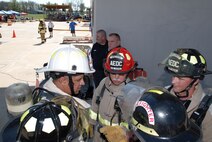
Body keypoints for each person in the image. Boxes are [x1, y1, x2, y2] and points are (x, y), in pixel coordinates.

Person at [33, 45, 95, 141]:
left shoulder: (44, 86)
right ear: (63, 80)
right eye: (78, 80)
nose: (83, 83)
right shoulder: (65, 111)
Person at [160, 48, 212, 142]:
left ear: (196, 80)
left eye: (180, 78)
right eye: (173, 75)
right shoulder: (163, 93)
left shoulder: (207, 111)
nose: (173, 81)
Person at [89, 47, 136, 142]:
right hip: (99, 134)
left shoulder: (131, 92)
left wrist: (126, 133)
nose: (116, 77)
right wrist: (91, 123)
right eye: (113, 73)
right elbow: (95, 104)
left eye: (121, 74)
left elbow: (133, 120)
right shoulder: (103, 84)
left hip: (119, 138)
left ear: (128, 73)